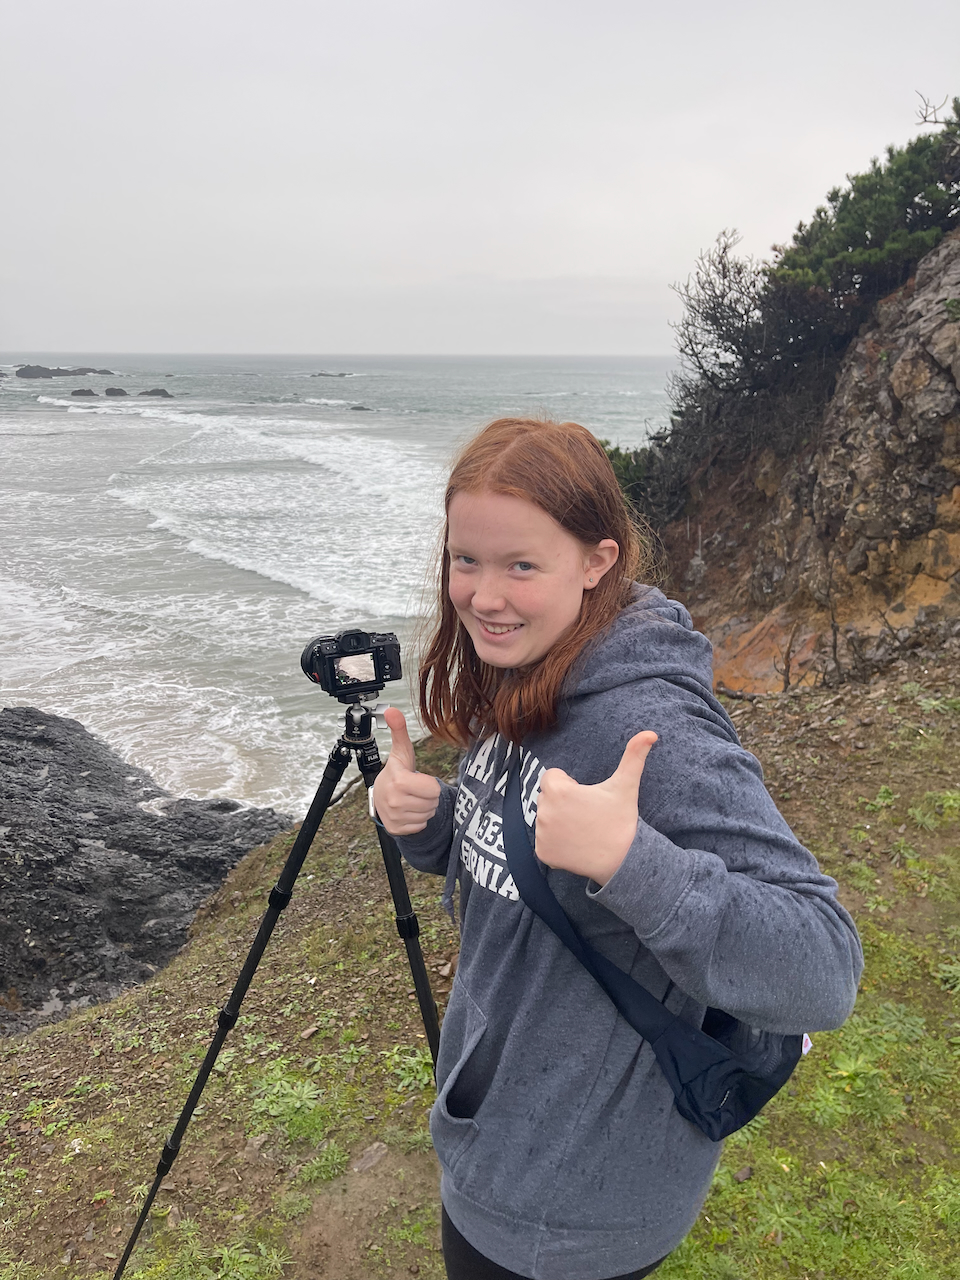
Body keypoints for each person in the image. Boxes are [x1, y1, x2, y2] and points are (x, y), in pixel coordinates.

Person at [372, 418, 862, 1280]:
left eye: (522, 565)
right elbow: (518, 867)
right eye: (466, 561)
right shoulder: (531, 666)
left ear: (596, 562)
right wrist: (434, 825)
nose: (485, 596)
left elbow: (823, 970)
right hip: (503, 1150)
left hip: (570, 1210)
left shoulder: (650, 724)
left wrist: (632, 860)